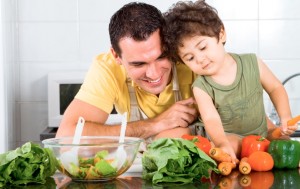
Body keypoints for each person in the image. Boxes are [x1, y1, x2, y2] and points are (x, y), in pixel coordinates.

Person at [163, 0, 297, 161]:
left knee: (287, 144)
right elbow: (211, 119)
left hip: (260, 134)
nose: (200, 59)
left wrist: (286, 117)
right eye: (190, 58)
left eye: (203, 47)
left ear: (221, 34)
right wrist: (221, 143)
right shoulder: (201, 87)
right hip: (226, 136)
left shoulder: (252, 62)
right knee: (232, 145)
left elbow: (275, 88)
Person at [56, 2, 199, 140]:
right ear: (116, 56)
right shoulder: (108, 68)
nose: (154, 74)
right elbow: (66, 138)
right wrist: (156, 124)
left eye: (162, 57)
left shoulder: (192, 55)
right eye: (138, 64)